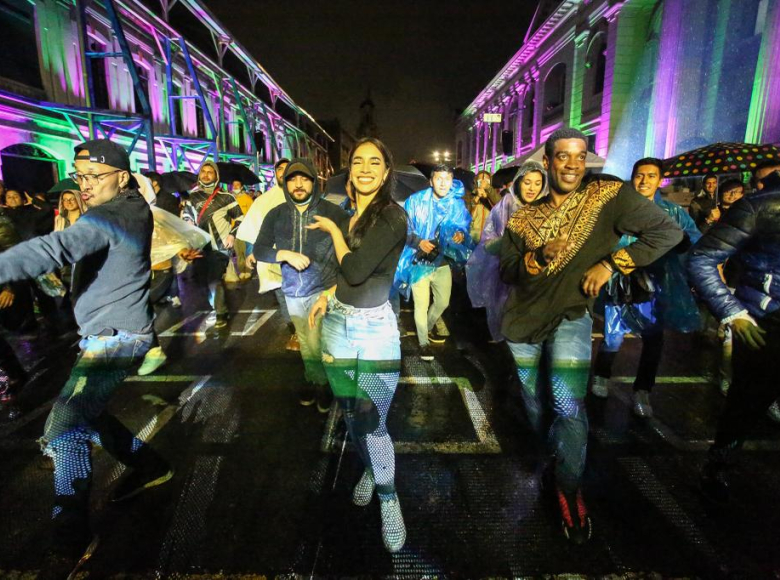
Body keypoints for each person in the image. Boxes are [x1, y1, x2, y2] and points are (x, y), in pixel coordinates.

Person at [499, 128, 682, 544]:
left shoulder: (607, 196)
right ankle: (554, 455)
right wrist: (536, 257)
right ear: (547, 162)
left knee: (567, 404)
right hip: (522, 323)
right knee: (534, 405)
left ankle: (567, 488)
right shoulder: (523, 217)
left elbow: (667, 233)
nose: (572, 164)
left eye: (580, 156)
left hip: (571, 317)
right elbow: (508, 271)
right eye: (562, 156)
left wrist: (612, 264)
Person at [0, 139, 172, 578]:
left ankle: (70, 539)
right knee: (88, 414)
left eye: (96, 176)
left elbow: (52, 249)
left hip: (115, 342)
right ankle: (150, 467)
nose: (86, 185)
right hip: (107, 334)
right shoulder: (128, 208)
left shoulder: (115, 215)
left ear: (123, 177)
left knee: (64, 430)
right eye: (80, 176)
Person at [307, 137, 408, 552]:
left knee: (374, 423)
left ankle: (390, 498)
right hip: (336, 328)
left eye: (374, 162)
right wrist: (328, 293)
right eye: (357, 161)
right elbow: (346, 279)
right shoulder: (356, 214)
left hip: (375, 333)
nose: (364, 168)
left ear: (386, 172)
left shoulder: (392, 216)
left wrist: (332, 230)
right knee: (351, 415)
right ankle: (370, 469)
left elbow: (357, 267)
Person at [688, 164, 780, 505]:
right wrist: (733, 313)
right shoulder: (759, 205)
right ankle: (717, 468)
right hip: (765, 324)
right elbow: (701, 259)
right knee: (745, 405)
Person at [591, 158, 701, 417]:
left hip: (657, 283)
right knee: (613, 334)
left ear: (659, 180)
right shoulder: (618, 208)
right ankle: (601, 376)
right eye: (640, 175)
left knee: (653, 338)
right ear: (632, 177)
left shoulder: (673, 212)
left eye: (651, 176)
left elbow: (693, 239)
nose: (644, 181)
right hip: (619, 280)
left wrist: (680, 242)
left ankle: (643, 390)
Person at [253, 157, 347, 410]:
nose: (298, 184)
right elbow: (260, 249)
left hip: (323, 290)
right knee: (306, 342)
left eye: (304, 178)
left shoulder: (332, 212)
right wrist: (283, 254)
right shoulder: (277, 214)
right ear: (285, 183)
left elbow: (349, 246)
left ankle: (322, 383)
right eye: (292, 178)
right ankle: (315, 379)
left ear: (314, 182)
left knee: (318, 342)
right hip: (292, 291)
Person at [395, 164, 471, 361]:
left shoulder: (457, 204)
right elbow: (405, 229)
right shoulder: (415, 201)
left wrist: (459, 236)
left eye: (448, 178)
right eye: (439, 178)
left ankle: (427, 328)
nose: (443, 183)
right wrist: (419, 241)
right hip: (420, 261)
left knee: (443, 302)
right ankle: (423, 343)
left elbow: (463, 227)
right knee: (421, 304)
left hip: (442, 262)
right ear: (431, 181)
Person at [466, 161, 546, 342]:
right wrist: (509, 241)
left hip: (538, 279)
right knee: (508, 327)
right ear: (518, 182)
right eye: (527, 182)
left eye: (537, 183)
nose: (532, 188)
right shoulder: (506, 204)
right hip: (508, 275)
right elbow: (488, 243)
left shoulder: (548, 206)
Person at [237, 158, 298, 350]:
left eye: (287, 169)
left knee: (301, 295)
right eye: (279, 169)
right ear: (275, 173)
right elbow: (252, 226)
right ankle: (295, 332)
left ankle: (306, 330)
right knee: (282, 295)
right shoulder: (264, 200)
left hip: (300, 257)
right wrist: (250, 251)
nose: (283, 172)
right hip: (273, 258)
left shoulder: (302, 195)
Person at [182, 160, 243, 328]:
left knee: (214, 279)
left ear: (216, 176)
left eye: (211, 172)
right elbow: (186, 218)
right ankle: (218, 306)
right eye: (203, 171)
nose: (206, 175)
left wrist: (232, 235)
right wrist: (188, 224)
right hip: (200, 248)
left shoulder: (226, 197)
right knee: (203, 281)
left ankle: (221, 312)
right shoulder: (192, 197)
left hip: (221, 248)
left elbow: (240, 218)